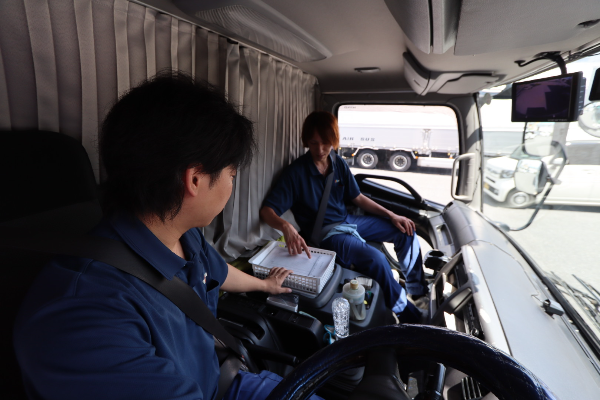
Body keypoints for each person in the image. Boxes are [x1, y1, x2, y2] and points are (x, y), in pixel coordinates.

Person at [13, 72, 322, 400]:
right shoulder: (83, 317)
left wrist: (265, 286)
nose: (232, 186)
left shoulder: (185, 237)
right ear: (195, 179)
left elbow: (217, 271)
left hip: (224, 380)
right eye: (232, 175)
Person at [260, 111, 427, 323]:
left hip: (348, 221)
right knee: (377, 260)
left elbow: (357, 197)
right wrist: (285, 226)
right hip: (327, 234)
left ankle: (417, 293)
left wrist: (392, 215)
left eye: (326, 143)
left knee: (405, 231)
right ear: (306, 141)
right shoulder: (296, 173)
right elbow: (267, 210)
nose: (320, 150)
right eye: (313, 143)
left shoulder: (337, 162)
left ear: (334, 141)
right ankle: (410, 316)